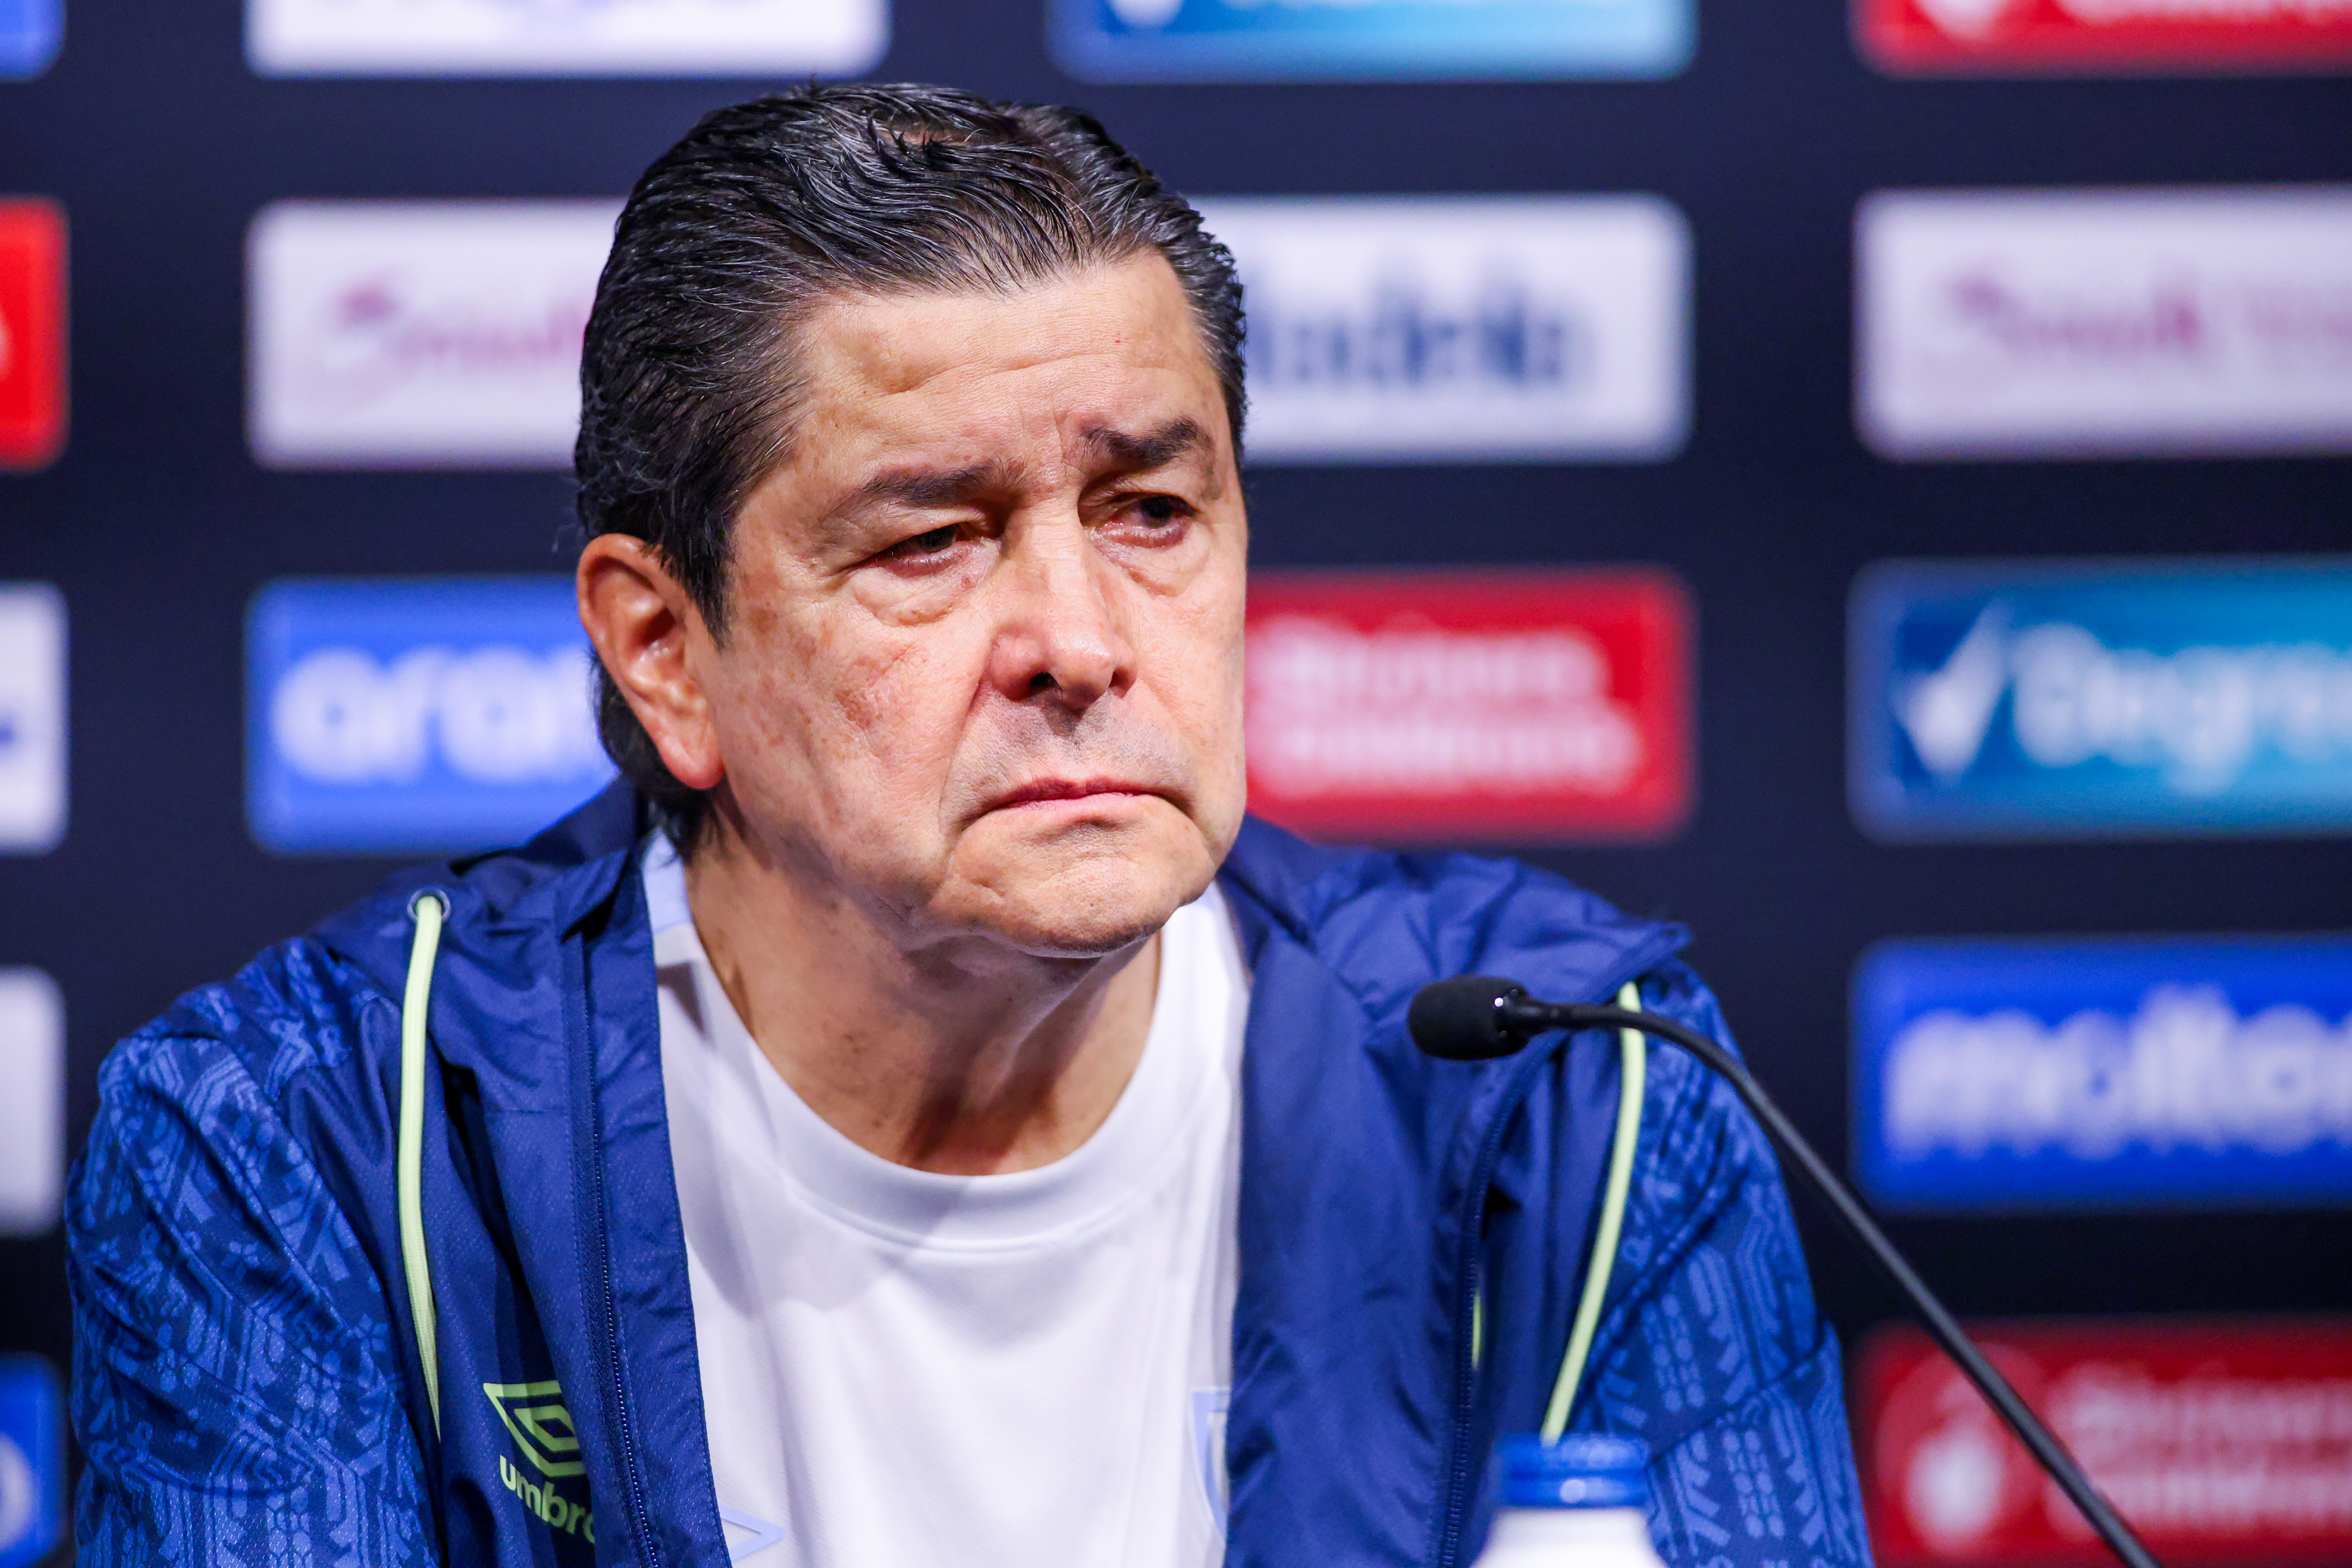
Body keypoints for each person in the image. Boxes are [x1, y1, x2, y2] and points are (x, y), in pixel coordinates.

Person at [68, 85, 1869, 1568]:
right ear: (664, 650)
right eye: (931, 541)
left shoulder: (1572, 1101)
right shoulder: (310, 1140)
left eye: (1152, 509)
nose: (1082, 645)